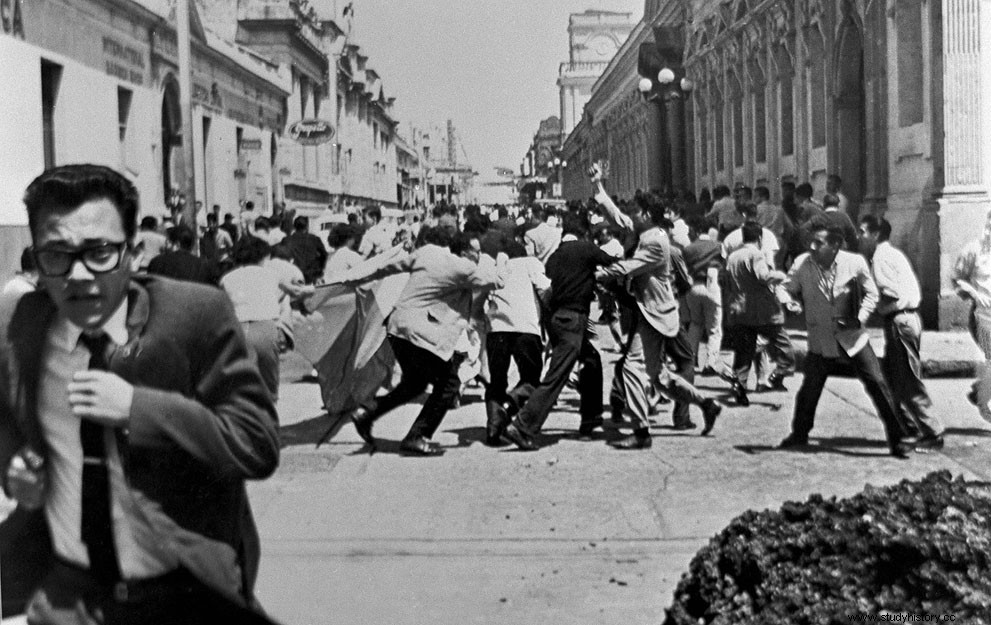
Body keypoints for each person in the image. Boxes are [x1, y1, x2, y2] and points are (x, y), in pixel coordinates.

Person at [0, 164, 280, 623]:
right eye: (57, 255)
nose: (79, 275)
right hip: (68, 597)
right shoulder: (18, 325)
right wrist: (14, 468)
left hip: (181, 592)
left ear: (132, 251)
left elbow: (257, 444)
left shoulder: (196, 315)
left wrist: (137, 408)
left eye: (100, 252)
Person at [328, 226, 506, 455]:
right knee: (449, 385)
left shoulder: (426, 254)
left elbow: (386, 266)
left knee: (415, 383)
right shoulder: (463, 268)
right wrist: (501, 259)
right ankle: (417, 436)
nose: (478, 257)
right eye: (475, 252)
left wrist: (350, 278)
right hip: (421, 334)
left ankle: (367, 413)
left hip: (397, 328)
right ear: (463, 252)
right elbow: (498, 281)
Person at [592, 175, 723, 449]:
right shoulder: (645, 230)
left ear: (648, 215)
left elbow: (628, 267)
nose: (631, 215)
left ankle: (641, 433)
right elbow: (618, 218)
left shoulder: (655, 242)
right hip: (649, 310)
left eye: (636, 211)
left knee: (631, 368)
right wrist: (599, 186)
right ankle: (707, 404)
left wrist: (597, 274)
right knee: (660, 377)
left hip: (655, 312)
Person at [778, 218, 914, 457]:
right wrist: (788, 301)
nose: (812, 247)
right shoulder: (802, 263)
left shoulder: (855, 262)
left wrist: (860, 318)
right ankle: (799, 433)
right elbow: (784, 286)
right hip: (821, 339)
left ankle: (898, 439)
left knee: (878, 385)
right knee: (810, 389)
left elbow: (872, 293)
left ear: (835, 245)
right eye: (811, 243)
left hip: (853, 338)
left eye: (818, 243)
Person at [501, 212, 616, 451]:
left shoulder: (554, 257)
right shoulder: (586, 248)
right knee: (557, 376)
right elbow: (612, 263)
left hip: (557, 318)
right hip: (574, 319)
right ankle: (522, 425)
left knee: (592, 361)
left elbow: (550, 285)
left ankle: (590, 418)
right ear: (585, 232)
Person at [858, 215, 944, 450]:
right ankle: (910, 429)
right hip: (904, 319)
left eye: (863, 232)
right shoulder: (892, 254)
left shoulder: (881, 258)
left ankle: (932, 431)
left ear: (876, 234)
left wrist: (867, 302)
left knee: (906, 379)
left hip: (900, 320)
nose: (860, 236)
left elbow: (891, 293)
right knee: (893, 379)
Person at [482, 240, 550, 446]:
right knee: (531, 379)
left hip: (497, 329)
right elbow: (545, 290)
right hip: (525, 327)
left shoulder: (497, 268)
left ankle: (493, 428)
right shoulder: (531, 263)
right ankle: (509, 406)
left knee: (497, 380)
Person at [723, 221, 795, 406]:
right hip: (762, 310)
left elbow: (726, 281)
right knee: (783, 343)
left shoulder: (732, 256)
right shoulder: (756, 255)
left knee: (743, 351)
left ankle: (739, 386)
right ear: (760, 238)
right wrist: (780, 276)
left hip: (739, 309)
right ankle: (778, 373)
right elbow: (764, 277)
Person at [220, 236, 284, 403]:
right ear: (263, 256)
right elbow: (297, 291)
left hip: (237, 330)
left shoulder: (227, 278)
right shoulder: (271, 274)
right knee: (268, 386)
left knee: (238, 385)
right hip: (264, 327)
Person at [953, 208, 991, 422]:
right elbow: (957, 279)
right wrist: (974, 293)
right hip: (982, 317)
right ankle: (984, 404)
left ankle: (980, 389)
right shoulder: (974, 250)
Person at [681, 216, 724, 375]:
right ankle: (710, 363)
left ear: (698, 231)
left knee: (695, 324)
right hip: (712, 285)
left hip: (693, 286)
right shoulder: (718, 246)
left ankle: (690, 360)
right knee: (714, 328)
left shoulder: (688, 248)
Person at [147, 224, 220, 285]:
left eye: (168, 242)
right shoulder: (203, 266)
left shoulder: (156, 262)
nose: (166, 245)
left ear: (177, 244)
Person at [283, 216, 328, 285]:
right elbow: (324, 254)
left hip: (293, 274)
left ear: (294, 227)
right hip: (311, 274)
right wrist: (319, 269)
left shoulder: (287, 240)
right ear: (307, 227)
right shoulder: (314, 239)